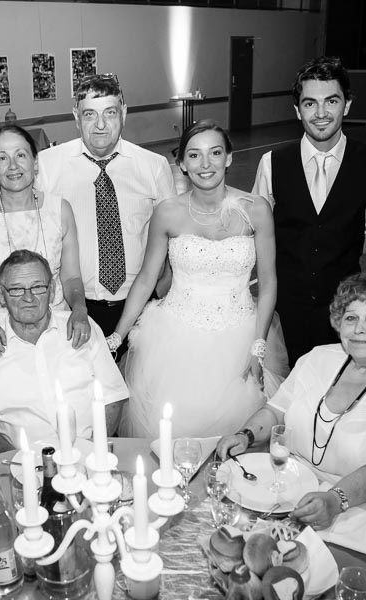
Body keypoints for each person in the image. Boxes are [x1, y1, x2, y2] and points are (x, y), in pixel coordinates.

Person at [217, 273, 366, 539]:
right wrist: (246, 435)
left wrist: (334, 501)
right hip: (302, 487)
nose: (359, 328)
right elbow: (275, 411)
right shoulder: (318, 358)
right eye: (351, 318)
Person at [0, 73, 176, 358]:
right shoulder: (49, 164)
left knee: (139, 390)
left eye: (110, 113)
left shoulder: (154, 167)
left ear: (124, 113)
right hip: (76, 307)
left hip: (139, 304)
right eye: (90, 114)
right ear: (76, 117)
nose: (100, 125)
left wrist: (164, 286)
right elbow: (16, 190)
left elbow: (173, 234)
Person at [111, 120, 284, 439]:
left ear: (229, 158)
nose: (206, 164)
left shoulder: (256, 209)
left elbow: (270, 281)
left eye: (215, 153)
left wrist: (257, 347)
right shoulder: (167, 212)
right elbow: (147, 278)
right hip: (174, 340)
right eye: (194, 155)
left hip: (239, 336)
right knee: (173, 431)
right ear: (182, 164)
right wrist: (117, 336)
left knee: (235, 434)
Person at [252, 56, 366, 366]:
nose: (322, 113)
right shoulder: (272, 163)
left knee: (340, 387)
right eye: (310, 103)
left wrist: (338, 245)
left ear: (348, 104)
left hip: (344, 306)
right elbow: (256, 235)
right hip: (285, 306)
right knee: (289, 390)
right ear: (297, 109)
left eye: (331, 101)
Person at [0, 250, 128, 455]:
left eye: (37, 287)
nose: (28, 298)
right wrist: (22, 465)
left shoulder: (82, 330)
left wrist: (94, 451)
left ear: (52, 290)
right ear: (1, 296)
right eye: (16, 290)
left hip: (89, 456)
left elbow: (113, 399)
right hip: (22, 467)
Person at [0, 125, 90, 357]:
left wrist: (79, 309)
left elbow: (71, 276)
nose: (13, 166)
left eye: (20, 155)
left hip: (55, 326)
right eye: (2, 158)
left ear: (35, 163)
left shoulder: (59, 210)